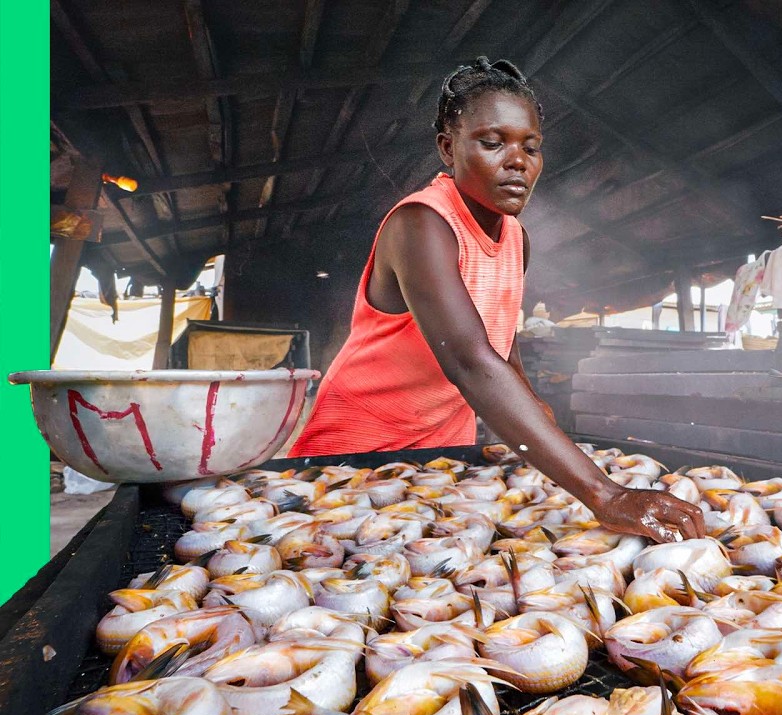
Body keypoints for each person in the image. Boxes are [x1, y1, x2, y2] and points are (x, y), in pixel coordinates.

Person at [289, 57, 704, 544]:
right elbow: (471, 361)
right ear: (449, 148)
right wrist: (605, 494)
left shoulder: (515, 238)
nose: (518, 161)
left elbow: (503, 350)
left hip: (443, 450)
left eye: (531, 147)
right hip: (358, 450)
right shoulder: (421, 225)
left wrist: (551, 442)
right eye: (492, 143)